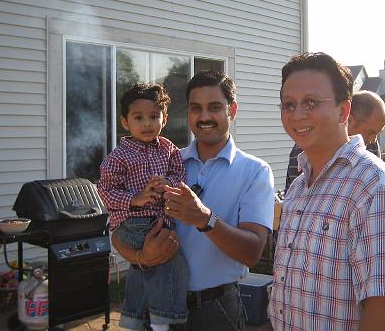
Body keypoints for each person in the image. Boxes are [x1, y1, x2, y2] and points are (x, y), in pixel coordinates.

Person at [112, 70, 275, 331]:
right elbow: (121, 232)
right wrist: (142, 257)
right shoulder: (161, 163)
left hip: (215, 310)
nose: (205, 117)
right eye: (195, 108)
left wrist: (204, 219)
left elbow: (252, 253)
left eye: (214, 107)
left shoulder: (255, 171)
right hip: (155, 304)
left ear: (232, 110)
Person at [268, 52, 385, 331]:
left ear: (343, 111)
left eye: (311, 102)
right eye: (288, 104)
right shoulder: (298, 187)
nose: (297, 114)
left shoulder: (373, 186)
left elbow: (382, 306)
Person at [98, 83, 188, 331]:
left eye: (154, 116)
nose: (147, 123)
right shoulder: (119, 156)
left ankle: (133, 320)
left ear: (165, 118)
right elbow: (105, 191)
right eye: (139, 118)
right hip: (133, 222)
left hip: (156, 220)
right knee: (171, 262)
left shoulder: (169, 148)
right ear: (125, 122)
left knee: (142, 270)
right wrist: (135, 198)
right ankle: (161, 322)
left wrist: (167, 183)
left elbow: (180, 174)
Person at [285, 89, 385, 192]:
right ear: (349, 120)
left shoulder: (371, 148)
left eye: (377, 133)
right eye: (370, 132)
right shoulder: (306, 146)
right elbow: (292, 197)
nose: (373, 140)